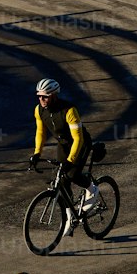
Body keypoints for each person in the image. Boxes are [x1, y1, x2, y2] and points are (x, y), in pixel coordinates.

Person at [28, 78, 98, 231]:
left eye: (45, 96)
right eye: (39, 96)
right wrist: (36, 153)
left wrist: (71, 160)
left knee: (71, 174)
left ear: (53, 95)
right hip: (64, 144)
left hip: (80, 143)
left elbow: (78, 138)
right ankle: (70, 217)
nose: (41, 99)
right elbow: (40, 132)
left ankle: (92, 189)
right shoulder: (39, 110)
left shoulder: (69, 110)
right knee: (62, 181)